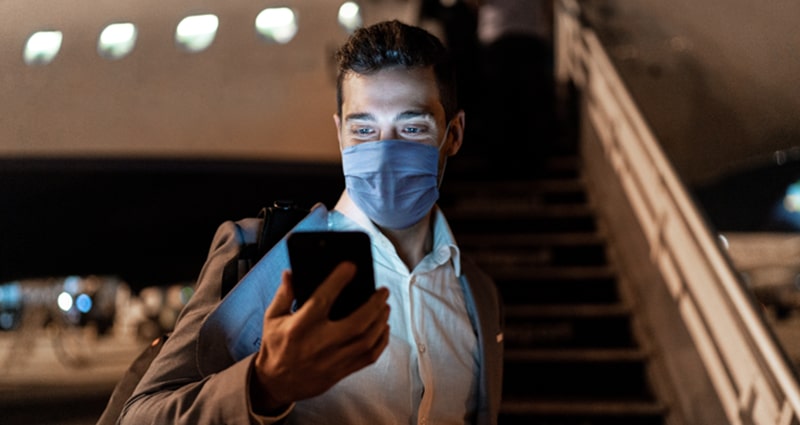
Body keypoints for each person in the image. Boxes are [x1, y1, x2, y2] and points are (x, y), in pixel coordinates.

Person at [119, 20, 503, 425]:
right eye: (364, 129)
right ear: (339, 135)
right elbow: (140, 416)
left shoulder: (477, 294)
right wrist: (264, 386)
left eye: (412, 128)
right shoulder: (259, 256)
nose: (385, 151)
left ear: (454, 133)